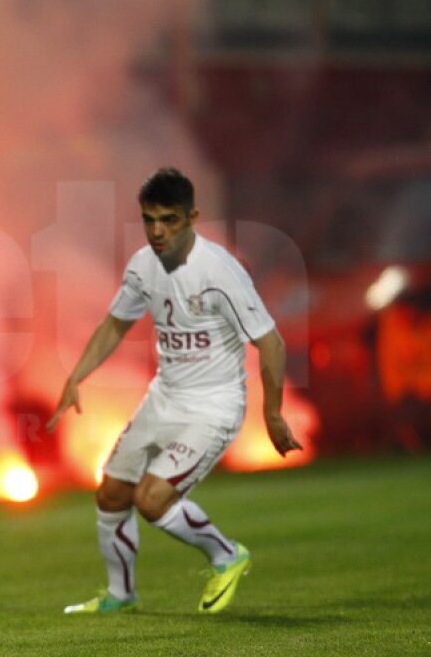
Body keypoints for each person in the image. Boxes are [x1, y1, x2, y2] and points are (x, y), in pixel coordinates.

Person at [46, 167, 303, 615]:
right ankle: (119, 595)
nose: (158, 230)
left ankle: (227, 554)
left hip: (213, 408)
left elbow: (271, 342)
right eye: (150, 220)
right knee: (111, 494)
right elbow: (115, 324)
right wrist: (76, 376)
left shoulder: (218, 270)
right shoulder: (144, 265)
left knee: (152, 499)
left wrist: (275, 415)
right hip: (164, 398)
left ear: (192, 218)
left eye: (169, 220)